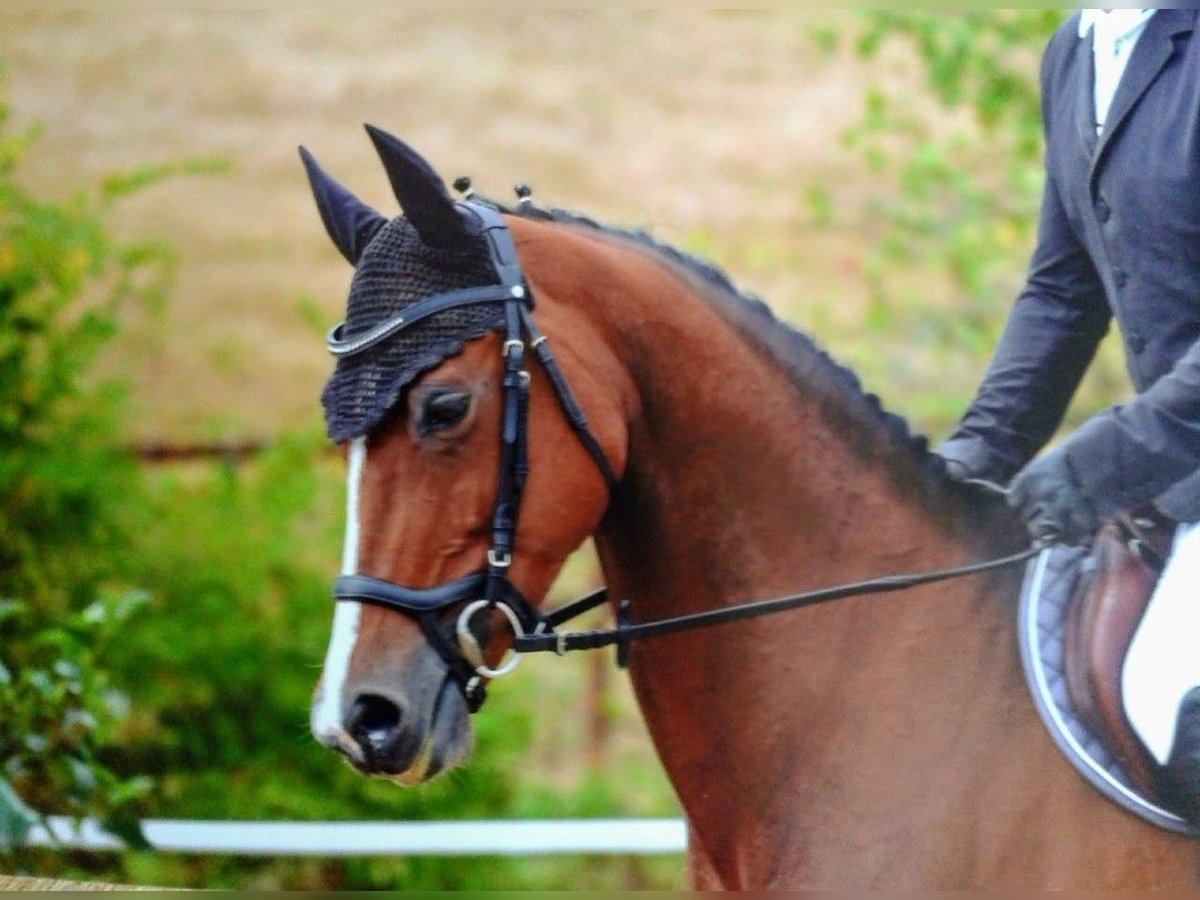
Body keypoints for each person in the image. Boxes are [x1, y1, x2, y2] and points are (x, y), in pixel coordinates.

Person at [937, 8, 1200, 820]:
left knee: (1173, 705)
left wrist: (1103, 461)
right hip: (1179, 478)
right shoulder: (1077, 49)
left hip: (1168, 461)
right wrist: (969, 462)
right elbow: (1063, 289)